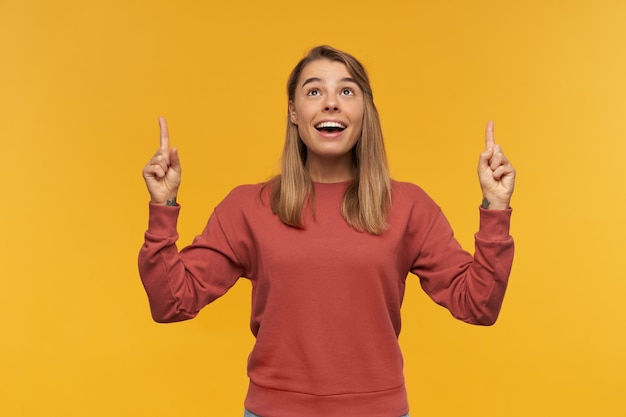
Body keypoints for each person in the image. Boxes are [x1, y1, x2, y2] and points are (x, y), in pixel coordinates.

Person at [139, 45, 515, 417]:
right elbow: (173, 303)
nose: (331, 103)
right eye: (314, 91)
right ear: (293, 112)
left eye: (346, 91)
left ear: (364, 110)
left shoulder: (409, 206)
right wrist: (163, 206)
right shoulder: (247, 208)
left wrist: (495, 207)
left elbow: (477, 305)